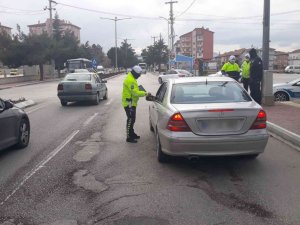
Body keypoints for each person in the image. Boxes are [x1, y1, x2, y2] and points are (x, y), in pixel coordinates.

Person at [122, 65, 147, 143]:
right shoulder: (130, 80)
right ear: (135, 73)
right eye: (138, 75)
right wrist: (145, 93)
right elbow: (135, 92)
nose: (139, 76)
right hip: (129, 103)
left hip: (132, 103)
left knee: (133, 119)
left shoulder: (132, 78)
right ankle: (129, 137)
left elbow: (134, 90)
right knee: (130, 119)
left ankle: (132, 133)